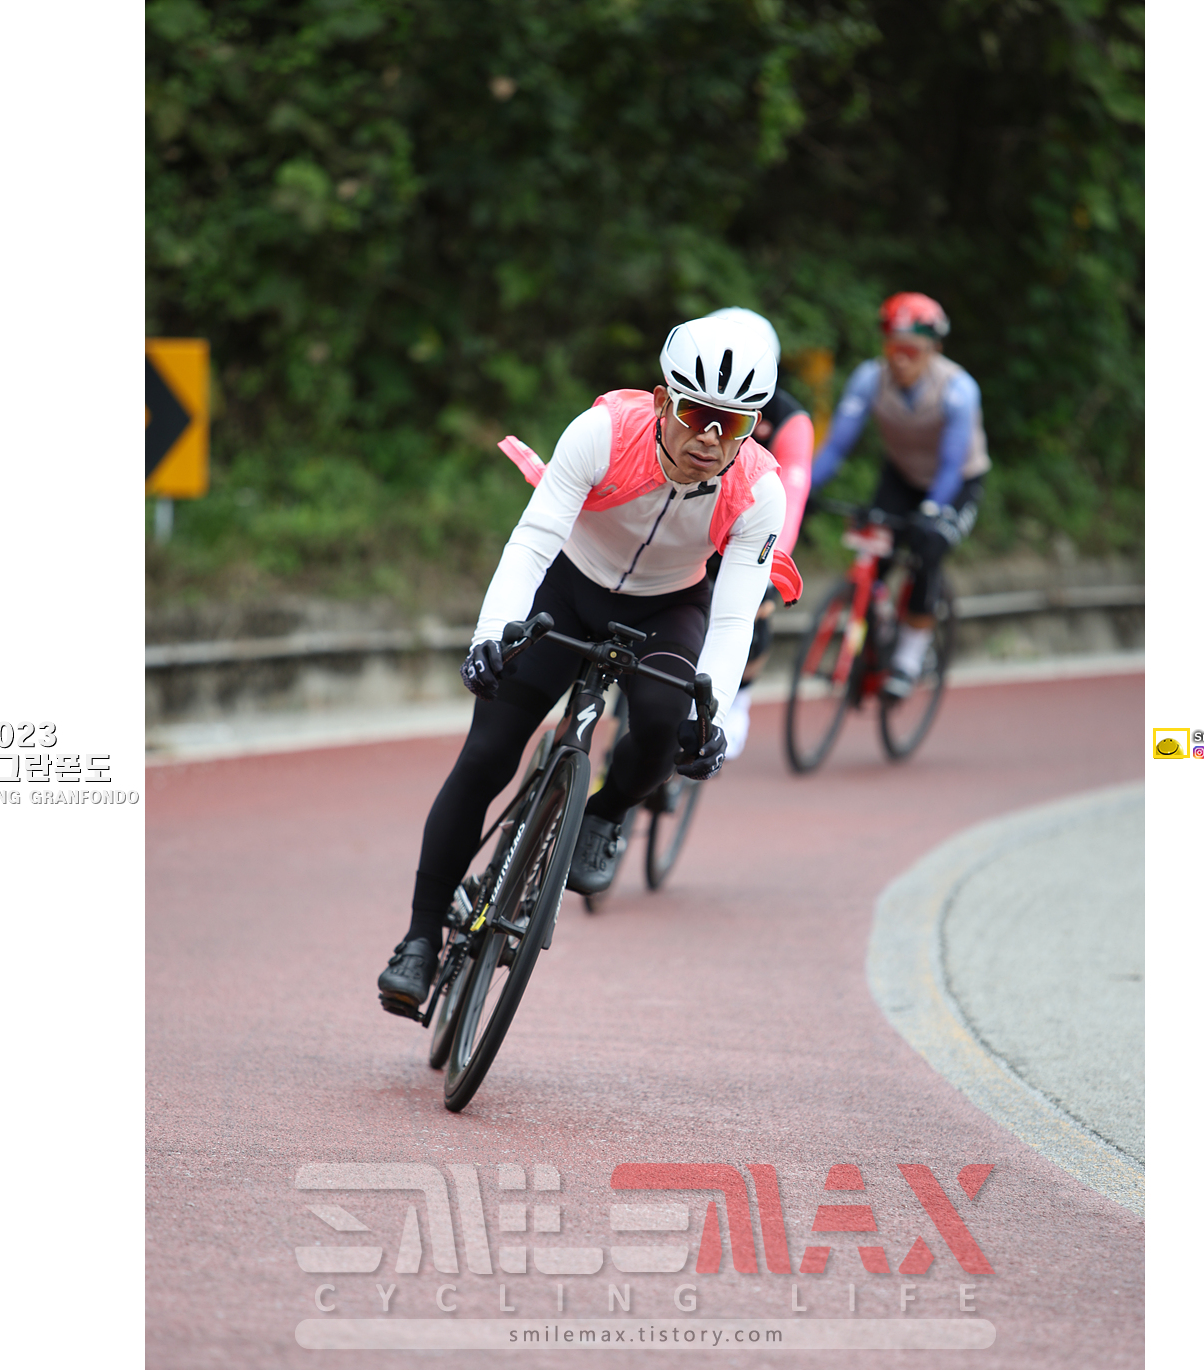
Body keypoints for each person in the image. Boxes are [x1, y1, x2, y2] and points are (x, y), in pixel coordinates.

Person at [377, 317, 802, 1014]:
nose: (709, 438)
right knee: (486, 755)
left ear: (753, 426)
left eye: (732, 424)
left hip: (669, 606)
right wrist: (490, 637)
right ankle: (420, 941)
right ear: (662, 400)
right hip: (568, 588)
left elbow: (731, 619)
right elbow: (533, 540)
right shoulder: (603, 433)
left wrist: (715, 719)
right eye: (696, 414)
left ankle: (605, 814)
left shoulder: (760, 492)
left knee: (667, 723)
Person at [808, 292, 990, 697]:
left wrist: (932, 510)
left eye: (912, 351)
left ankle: (911, 654)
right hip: (902, 476)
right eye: (894, 349)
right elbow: (836, 447)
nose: (901, 360)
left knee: (928, 547)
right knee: (875, 553)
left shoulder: (958, 390)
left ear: (934, 349)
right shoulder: (869, 379)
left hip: (955, 481)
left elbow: (951, 465)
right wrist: (802, 489)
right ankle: (876, 629)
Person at [703, 308, 815, 759]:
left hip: (752, 526)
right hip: (697, 520)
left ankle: (741, 695)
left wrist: (768, 566)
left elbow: (793, 495)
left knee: (755, 605)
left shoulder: (790, 419)